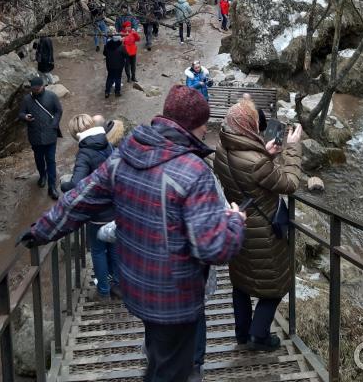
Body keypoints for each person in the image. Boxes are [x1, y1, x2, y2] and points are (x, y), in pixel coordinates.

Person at [19, 85, 246, 382]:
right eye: (204, 128)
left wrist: (39, 231)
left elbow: (79, 199)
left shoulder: (124, 155)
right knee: (171, 369)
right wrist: (235, 221)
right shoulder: (193, 171)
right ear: (195, 126)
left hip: (138, 287)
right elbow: (215, 249)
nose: (205, 134)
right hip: (176, 299)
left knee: (158, 358)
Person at [214, 98, 303, 351]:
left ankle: (241, 334)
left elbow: (249, 171)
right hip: (264, 234)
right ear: (249, 126)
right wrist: (293, 148)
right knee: (276, 287)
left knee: (241, 283)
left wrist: (265, 153)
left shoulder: (221, 148)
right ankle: (258, 335)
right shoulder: (256, 162)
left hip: (238, 225)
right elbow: (289, 183)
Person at [61, 115, 121, 301]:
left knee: (98, 251)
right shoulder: (107, 143)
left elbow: (77, 183)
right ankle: (118, 287)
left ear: (76, 134)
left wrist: (64, 185)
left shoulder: (85, 153)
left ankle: (103, 291)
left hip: (97, 211)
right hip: (114, 206)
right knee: (113, 247)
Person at [18, 76, 63, 199]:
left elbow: (59, 111)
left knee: (51, 160)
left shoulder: (52, 96)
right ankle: (42, 175)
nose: (36, 91)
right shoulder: (27, 99)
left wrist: (54, 124)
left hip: (50, 134)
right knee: (38, 158)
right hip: (35, 134)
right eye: (33, 89)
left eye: (37, 89)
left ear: (43, 86)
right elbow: (20, 113)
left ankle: (52, 186)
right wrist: (25, 117)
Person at [103, 28, 125, 98]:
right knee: (118, 78)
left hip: (110, 65)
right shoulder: (121, 46)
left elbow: (104, 54)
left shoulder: (107, 45)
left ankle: (107, 92)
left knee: (110, 77)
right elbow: (126, 55)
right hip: (119, 66)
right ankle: (117, 92)